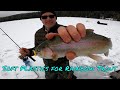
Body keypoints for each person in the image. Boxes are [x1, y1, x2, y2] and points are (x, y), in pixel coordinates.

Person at [19, 11, 86, 79]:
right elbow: (37, 49)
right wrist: (29, 52)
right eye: (44, 17)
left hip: (63, 64)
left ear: (55, 18)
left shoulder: (65, 31)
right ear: (41, 19)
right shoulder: (38, 33)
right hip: (48, 66)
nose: (48, 19)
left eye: (51, 16)